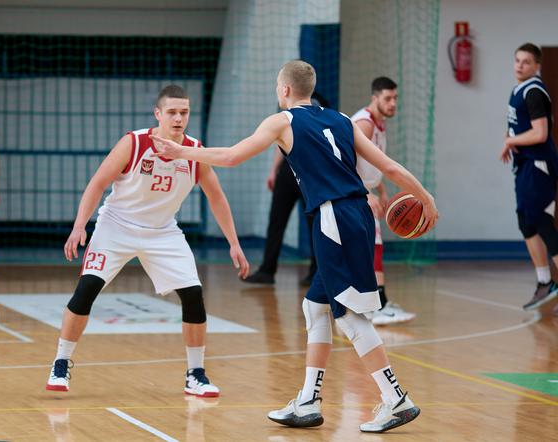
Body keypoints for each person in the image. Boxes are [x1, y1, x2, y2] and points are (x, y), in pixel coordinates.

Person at [151, 60, 438, 433]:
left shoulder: (283, 122)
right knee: (314, 307)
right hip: (359, 216)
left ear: (284, 89)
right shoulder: (342, 120)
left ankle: (394, 397)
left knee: (348, 316)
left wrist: (182, 153)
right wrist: (425, 196)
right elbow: (390, 167)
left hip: (333, 216)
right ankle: (307, 401)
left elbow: (233, 156)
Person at [45, 85, 249, 397]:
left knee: (193, 295)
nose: (179, 118)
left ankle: (195, 374)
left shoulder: (194, 151)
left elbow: (216, 197)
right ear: (158, 114)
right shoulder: (134, 142)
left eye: (184, 112)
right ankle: (61, 363)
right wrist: (79, 226)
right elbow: (97, 183)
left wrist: (233, 242)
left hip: (162, 231)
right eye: (172, 112)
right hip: (116, 226)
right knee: (87, 288)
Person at [243, 93, 327, 287]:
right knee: (276, 222)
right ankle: (267, 270)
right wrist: (274, 170)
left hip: (310, 174)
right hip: (287, 174)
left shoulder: (318, 105)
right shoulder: (285, 109)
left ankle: (316, 273)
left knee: (314, 225)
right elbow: (279, 143)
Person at [353, 77, 416, 325]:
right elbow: (345, 163)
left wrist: (380, 188)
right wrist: (366, 193)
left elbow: (370, 162)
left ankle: (375, 302)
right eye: (387, 98)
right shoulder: (364, 124)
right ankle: (374, 304)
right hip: (352, 193)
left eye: (395, 98)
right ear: (374, 98)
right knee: (371, 248)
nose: (392, 103)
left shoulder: (379, 124)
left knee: (371, 248)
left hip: (362, 190)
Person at [500, 43, 558, 310]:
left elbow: (540, 134)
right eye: (517, 60)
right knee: (527, 224)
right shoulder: (518, 90)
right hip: (525, 166)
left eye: (526, 62)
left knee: (543, 224)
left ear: (537, 66)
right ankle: (545, 282)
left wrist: (511, 142)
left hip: (539, 166)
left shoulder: (534, 91)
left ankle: (549, 282)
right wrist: (508, 142)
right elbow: (516, 128)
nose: (519, 65)